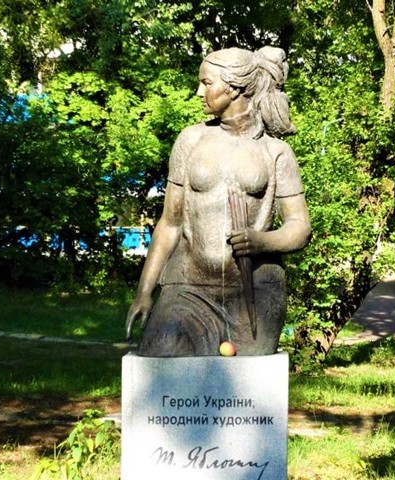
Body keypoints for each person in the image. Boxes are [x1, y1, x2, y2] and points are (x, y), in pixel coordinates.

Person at [126, 46, 311, 357]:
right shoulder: (191, 140)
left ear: (234, 87)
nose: (199, 92)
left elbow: (300, 227)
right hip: (189, 287)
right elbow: (170, 224)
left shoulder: (276, 151)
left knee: (249, 369)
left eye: (206, 83)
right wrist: (144, 291)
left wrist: (262, 241)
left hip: (253, 291)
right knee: (162, 347)